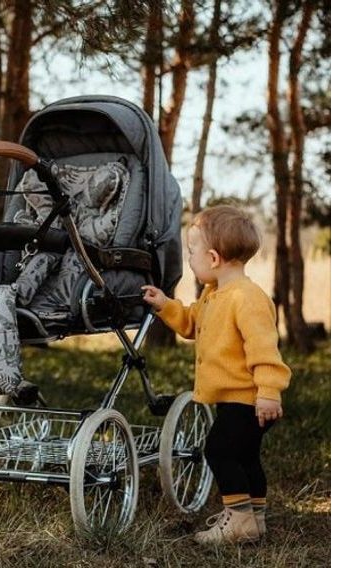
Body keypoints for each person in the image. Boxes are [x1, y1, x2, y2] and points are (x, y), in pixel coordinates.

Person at [142, 205, 291, 545]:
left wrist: (269, 391)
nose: (190, 258)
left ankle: (238, 520)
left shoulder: (247, 299)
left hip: (250, 400)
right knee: (246, 457)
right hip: (236, 400)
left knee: (219, 452)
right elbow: (193, 322)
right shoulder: (215, 294)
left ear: (212, 257)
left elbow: (265, 350)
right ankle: (254, 520)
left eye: (192, 252)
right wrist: (166, 304)